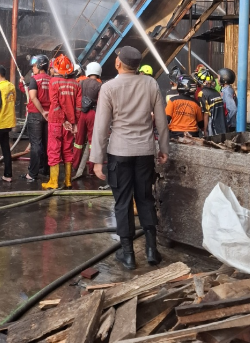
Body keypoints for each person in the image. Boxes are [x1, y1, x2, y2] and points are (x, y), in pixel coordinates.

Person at [91, 46, 170, 270]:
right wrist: (163, 148)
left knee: (123, 201)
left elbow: (101, 127)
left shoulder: (109, 88)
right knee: (146, 198)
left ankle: (127, 255)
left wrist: (97, 159)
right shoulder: (151, 84)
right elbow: (161, 121)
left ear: (118, 63)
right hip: (145, 152)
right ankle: (152, 250)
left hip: (119, 152)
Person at [44, 54, 81, 190]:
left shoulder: (53, 82)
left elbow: (55, 102)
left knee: (53, 150)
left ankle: (53, 182)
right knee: (67, 150)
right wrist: (74, 123)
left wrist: (63, 119)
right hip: (70, 123)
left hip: (56, 121)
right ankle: (67, 181)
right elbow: (78, 106)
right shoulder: (76, 84)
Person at [20, 55, 51, 181]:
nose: (33, 68)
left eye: (33, 66)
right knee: (46, 143)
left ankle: (32, 174)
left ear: (39, 66)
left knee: (36, 144)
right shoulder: (51, 79)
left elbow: (33, 97)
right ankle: (45, 169)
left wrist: (42, 111)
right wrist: (46, 112)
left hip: (36, 114)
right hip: (48, 115)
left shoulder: (34, 79)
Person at [73, 62, 103, 175]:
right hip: (92, 114)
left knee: (78, 142)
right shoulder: (100, 85)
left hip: (80, 113)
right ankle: (91, 169)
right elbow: (101, 103)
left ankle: (75, 165)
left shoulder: (80, 83)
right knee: (92, 142)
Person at [195, 69, 227, 135]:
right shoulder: (216, 92)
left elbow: (206, 114)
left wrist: (205, 130)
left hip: (212, 127)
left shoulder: (202, 93)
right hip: (223, 125)